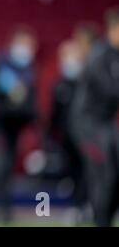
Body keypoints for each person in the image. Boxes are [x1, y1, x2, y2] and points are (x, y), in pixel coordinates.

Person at [0, 27, 39, 222]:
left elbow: (30, 100)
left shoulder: (27, 69)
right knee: (0, 167)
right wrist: (9, 95)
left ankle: (0, 210)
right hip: (0, 124)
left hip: (15, 127)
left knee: (7, 169)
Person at [70, 7, 119, 226]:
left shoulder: (113, 56)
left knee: (113, 174)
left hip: (105, 124)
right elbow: (111, 89)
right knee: (103, 175)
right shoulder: (100, 56)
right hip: (89, 125)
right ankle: (100, 220)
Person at [46, 39, 88, 222]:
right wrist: (50, 137)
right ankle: (75, 206)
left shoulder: (86, 84)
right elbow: (54, 116)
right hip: (66, 139)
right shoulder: (59, 85)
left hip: (86, 136)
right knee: (71, 172)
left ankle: (88, 205)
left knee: (88, 173)